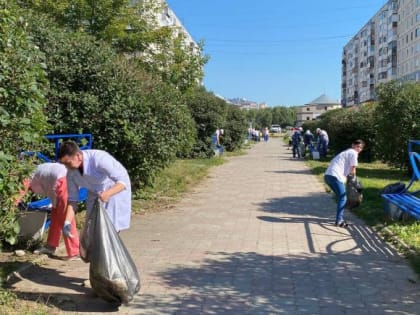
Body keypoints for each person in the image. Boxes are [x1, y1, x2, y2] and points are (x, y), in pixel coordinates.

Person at [58, 141, 132, 234]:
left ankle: (110, 247)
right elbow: (73, 201)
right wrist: (67, 222)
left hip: (113, 192)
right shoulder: (71, 173)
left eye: (68, 163)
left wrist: (108, 193)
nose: (66, 167)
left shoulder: (99, 158)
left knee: (110, 230)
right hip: (94, 194)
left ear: (78, 156)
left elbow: (123, 180)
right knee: (92, 229)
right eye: (64, 164)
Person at [16, 163, 80, 259]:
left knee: (66, 217)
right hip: (65, 179)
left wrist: (13, 205)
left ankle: (75, 252)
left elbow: (20, 193)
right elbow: (50, 186)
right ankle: (50, 246)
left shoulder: (27, 176)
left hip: (64, 181)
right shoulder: (36, 171)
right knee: (55, 215)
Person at [324, 140, 365, 227]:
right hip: (335, 176)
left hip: (328, 176)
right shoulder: (353, 153)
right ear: (352, 145)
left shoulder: (346, 152)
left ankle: (340, 215)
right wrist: (355, 181)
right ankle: (339, 221)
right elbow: (353, 169)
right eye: (357, 146)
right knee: (343, 198)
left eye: (361, 147)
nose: (358, 149)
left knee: (340, 197)